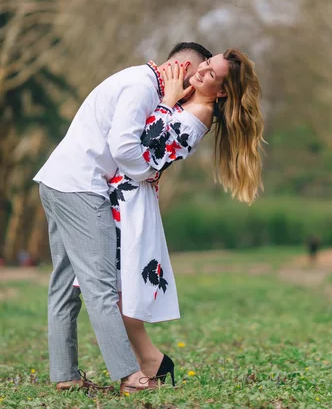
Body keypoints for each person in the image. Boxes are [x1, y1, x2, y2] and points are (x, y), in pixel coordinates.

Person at [34, 42, 212, 394]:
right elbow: (126, 149)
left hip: (58, 181)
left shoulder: (136, 81)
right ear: (182, 68)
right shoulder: (142, 88)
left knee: (64, 286)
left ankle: (65, 376)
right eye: (194, 78)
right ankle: (131, 377)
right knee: (100, 289)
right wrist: (149, 172)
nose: (191, 88)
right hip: (82, 189)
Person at [108, 49, 264, 393]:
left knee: (115, 290)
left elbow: (146, 150)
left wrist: (166, 100)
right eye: (206, 63)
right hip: (122, 196)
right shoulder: (188, 102)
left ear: (221, 92)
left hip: (131, 204)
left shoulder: (197, 115)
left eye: (210, 73)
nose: (201, 70)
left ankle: (148, 361)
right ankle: (148, 360)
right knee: (111, 289)